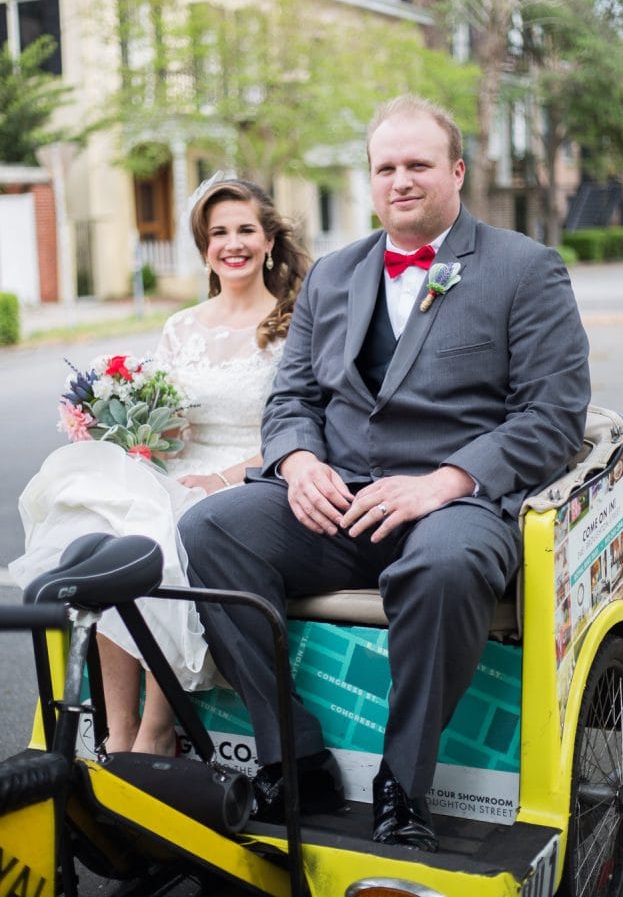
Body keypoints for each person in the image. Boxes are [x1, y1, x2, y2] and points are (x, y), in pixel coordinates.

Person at [179, 95, 591, 850]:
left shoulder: (524, 270)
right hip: (334, 505)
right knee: (209, 529)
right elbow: (293, 396)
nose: (400, 180)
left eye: (417, 165)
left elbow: (553, 415)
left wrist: (445, 482)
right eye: (385, 168)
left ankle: (404, 786)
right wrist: (298, 460)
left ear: (456, 171)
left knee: (445, 565)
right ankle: (294, 756)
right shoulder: (333, 276)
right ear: (370, 181)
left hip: (451, 508)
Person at [10, 177, 308, 757]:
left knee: (163, 531)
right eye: (218, 232)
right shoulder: (182, 326)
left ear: (269, 239)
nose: (233, 243)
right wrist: (133, 428)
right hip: (175, 468)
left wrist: (219, 479)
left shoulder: (293, 322)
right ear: (204, 248)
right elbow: (171, 422)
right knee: (99, 526)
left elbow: (294, 431)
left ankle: (155, 730)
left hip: (245, 480)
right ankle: (117, 730)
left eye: (246, 229)